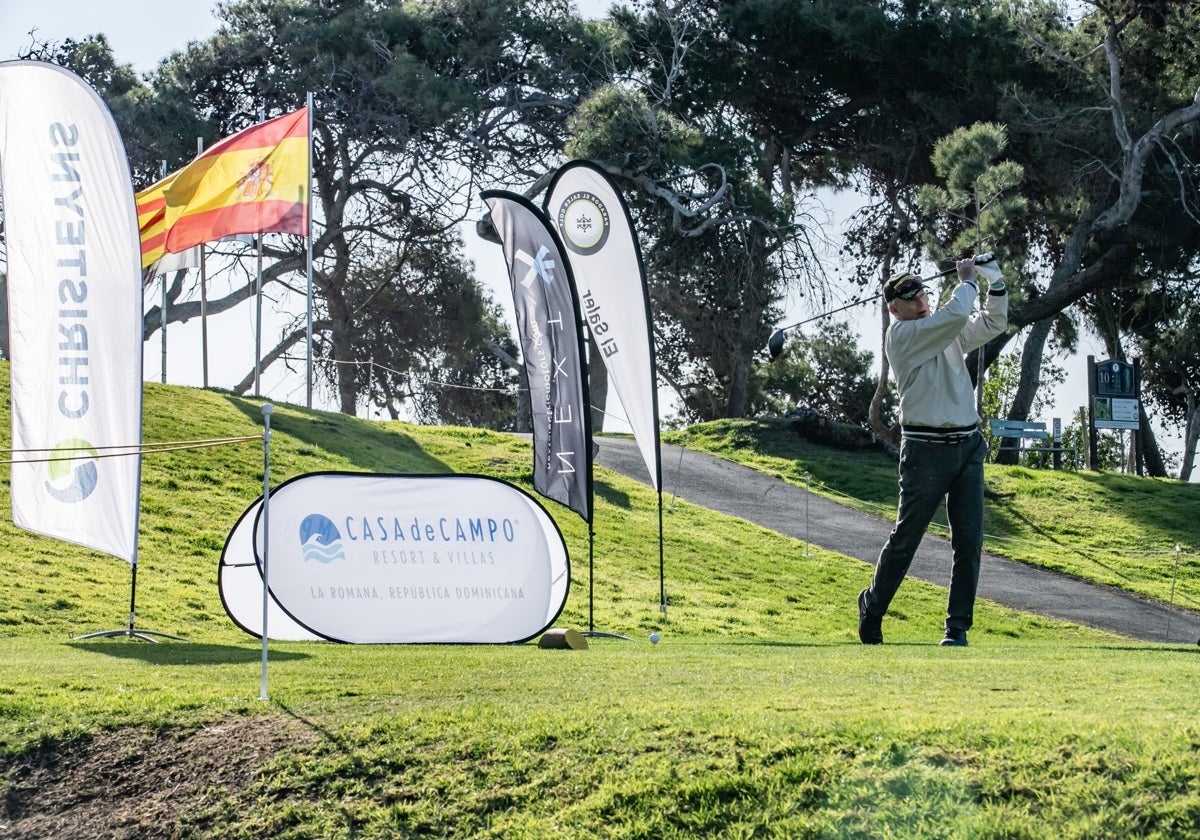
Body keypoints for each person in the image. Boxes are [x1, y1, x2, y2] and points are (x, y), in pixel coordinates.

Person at [858, 255, 1008, 647]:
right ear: (894, 309)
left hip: (968, 446)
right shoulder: (902, 337)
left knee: (969, 540)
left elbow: (994, 322)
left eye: (922, 292)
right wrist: (967, 279)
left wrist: (996, 281)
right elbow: (956, 316)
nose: (920, 300)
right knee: (908, 536)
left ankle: (956, 628)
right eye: (910, 298)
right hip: (925, 449)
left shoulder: (945, 328)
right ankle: (872, 607)